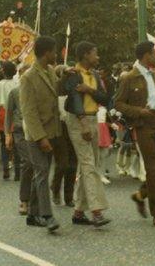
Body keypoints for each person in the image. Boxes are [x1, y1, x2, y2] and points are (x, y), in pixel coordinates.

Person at [115, 41, 155, 228]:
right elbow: (118, 103)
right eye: (153, 54)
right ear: (145, 56)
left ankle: (141, 195)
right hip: (143, 125)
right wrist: (138, 112)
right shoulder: (129, 77)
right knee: (152, 168)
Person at [62, 41, 111, 227]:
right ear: (85, 56)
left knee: (89, 165)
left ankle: (79, 212)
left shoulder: (95, 75)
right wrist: (83, 123)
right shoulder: (74, 74)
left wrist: (90, 90)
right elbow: (74, 99)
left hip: (93, 119)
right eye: (94, 54)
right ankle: (96, 211)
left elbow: (104, 98)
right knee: (89, 164)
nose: (97, 57)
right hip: (79, 120)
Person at [20, 36, 63, 232]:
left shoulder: (50, 72)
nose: (56, 55)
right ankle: (47, 215)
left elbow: (56, 89)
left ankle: (32, 214)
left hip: (51, 130)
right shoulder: (28, 77)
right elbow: (28, 111)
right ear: (46, 53)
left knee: (42, 172)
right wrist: (41, 137)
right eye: (54, 51)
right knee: (42, 172)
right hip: (36, 135)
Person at [6, 64, 33, 215]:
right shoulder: (14, 92)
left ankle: (36, 200)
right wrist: (8, 135)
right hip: (19, 131)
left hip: (36, 131)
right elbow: (9, 113)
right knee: (28, 162)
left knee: (38, 165)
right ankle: (24, 200)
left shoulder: (36, 92)